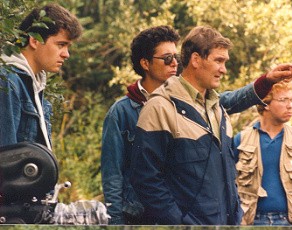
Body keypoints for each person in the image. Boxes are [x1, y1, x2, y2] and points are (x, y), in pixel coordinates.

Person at [129, 25, 292, 225]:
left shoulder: (217, 109)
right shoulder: (159, 108)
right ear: (196, 60)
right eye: (219, 60)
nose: (224, 70)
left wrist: (235, 216)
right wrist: (180, 223)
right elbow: (146, 181)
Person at [101, 25, 180, 225]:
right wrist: (116, 222)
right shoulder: (121, 112)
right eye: (167, 58)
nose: (175, 64)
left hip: (176, 214)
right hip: (136, 216)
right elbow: (112, 174)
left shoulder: (182, 105)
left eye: (176, 57)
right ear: (145, 63)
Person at [233, 81, 292, 226]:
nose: (290, 105)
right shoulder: (241, 140)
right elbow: (227, 185)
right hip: (252, 222)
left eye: (291, 100)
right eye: (283, 100)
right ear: (265, 103)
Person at [0, 3, 82, 150]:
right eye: (61, 45)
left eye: (68, 47)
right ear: (34, 40)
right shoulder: (7, 81)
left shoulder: (34, 86)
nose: (66, 54)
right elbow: (7, 161)